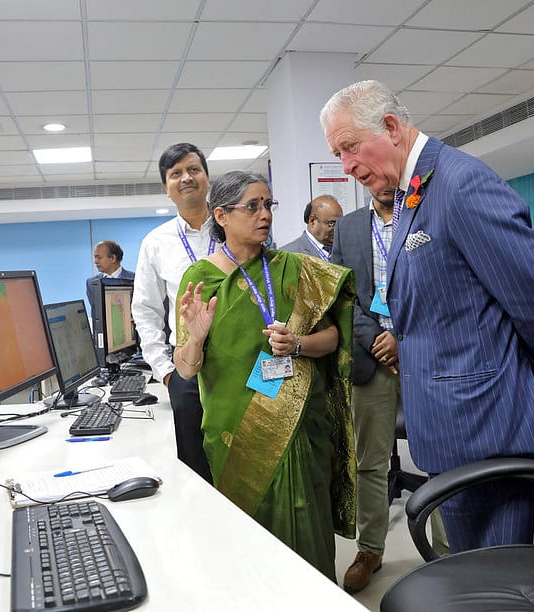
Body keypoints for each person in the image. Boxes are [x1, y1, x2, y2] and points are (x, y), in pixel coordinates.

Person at [321, 80, 534, 554]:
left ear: (391, 127)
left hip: (483, 424)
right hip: (447, 423)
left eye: (350, 147)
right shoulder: (412, 193)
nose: (346, 166)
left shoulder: (461, 184)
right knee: (473, 574)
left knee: (496, 578)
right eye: (338, 154)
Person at [173, 170, 357, 579]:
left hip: (302, 426)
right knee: (250, 553)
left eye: (268, 205)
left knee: (309, 539)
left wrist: (297, 345)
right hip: (235, 431)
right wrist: (197, 336)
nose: (265, 215)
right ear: (221, 215)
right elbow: (186, 367)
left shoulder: (298, 269)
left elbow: (332, 338)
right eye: (252, 206)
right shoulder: (200, 280)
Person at [330, 187, 448, 592]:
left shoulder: (426, 216)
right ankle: (370, 551)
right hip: (370, 361)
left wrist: (403, 338)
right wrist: (377, 339)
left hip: (424, 355)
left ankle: (445, 553)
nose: (380, 182)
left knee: (439, 457)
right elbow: (342, 298)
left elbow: (443, 283)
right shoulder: (346, 229)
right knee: (369, 463)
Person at [131, 143, 216, 483]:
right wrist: (166, 372)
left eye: (193, 169)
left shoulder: (234, 228)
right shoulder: (156, 242)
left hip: (241, 365)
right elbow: (146, 311)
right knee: (196, 471)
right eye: (175, 173)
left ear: (208, 177)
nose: (186, 178)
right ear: (166, 187)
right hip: (187, 369)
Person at [280, 195, 343, 260]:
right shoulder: (289, 255)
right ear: (312, 221)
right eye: (332, 224)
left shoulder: (344, 250)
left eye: (340, 223)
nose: (337, 229)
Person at [86, 240, 135, 307]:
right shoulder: (91, 283)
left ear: (113, 258)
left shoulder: (135, 279)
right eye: (95, 257)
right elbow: (96, 312)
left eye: (99, 257)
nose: (95, 261)